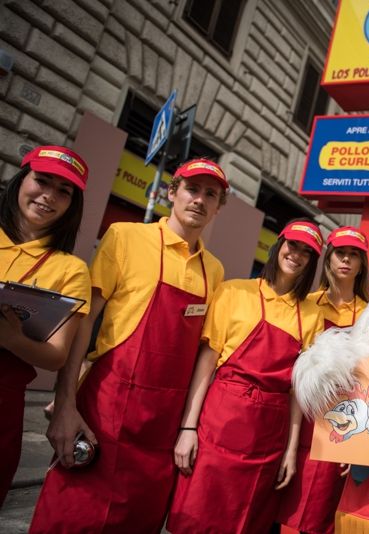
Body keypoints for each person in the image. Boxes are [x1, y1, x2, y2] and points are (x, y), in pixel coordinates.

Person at [30, 158, 228, 533]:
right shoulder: (125, 237)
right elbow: (85, 320)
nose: (199, 200)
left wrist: (188, 428)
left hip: (160, 428)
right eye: (192, 189)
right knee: (72, 515)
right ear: (172, 192)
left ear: (219, 206)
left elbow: (205, 352)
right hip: (104, 407)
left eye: (211, 194)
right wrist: (66, 401)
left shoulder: (213, 270)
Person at [167, 220, 325, 534]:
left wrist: (290, 451)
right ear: (278, 244)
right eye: (293, 245)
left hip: (268, 439)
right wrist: (188, 427)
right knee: (197, 518)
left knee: (247, 522)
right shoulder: (234, 292)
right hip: (219, 426)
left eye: (307, 252)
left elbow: (298, 391)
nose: (297, 255)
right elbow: (207, 363)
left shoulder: (311, 314)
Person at [0, 146, 92, 507]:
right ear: (22, 180)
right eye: (42, 181)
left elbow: (55, 356)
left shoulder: (71, 270)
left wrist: (8, 337)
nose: (49, 196)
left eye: (64, 191)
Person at [274, 226, 369, 534]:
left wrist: (360, 446)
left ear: (361, 265)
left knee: (330, 516)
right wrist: (290, 446)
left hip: (347, 427)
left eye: (353, 255)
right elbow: (293, 381)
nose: (346, 260)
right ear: (328, 258)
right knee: (291, 508)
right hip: (304, 421)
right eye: (340, 253)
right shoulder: (307, 305)